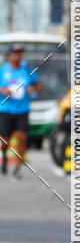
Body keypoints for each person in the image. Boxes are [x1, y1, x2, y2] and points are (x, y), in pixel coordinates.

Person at [0, 43, 42, 178]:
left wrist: (33, 89)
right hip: (5, 109)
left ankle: (17, 167)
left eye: (20, 53)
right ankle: (5, 157)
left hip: (22, 110)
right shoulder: (3, 70)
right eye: (15, 53)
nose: (18, 56)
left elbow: (39, 86)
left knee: (22, 138)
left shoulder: (27, 70)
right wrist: (3, 90)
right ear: (9, 55)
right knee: (5, 139)